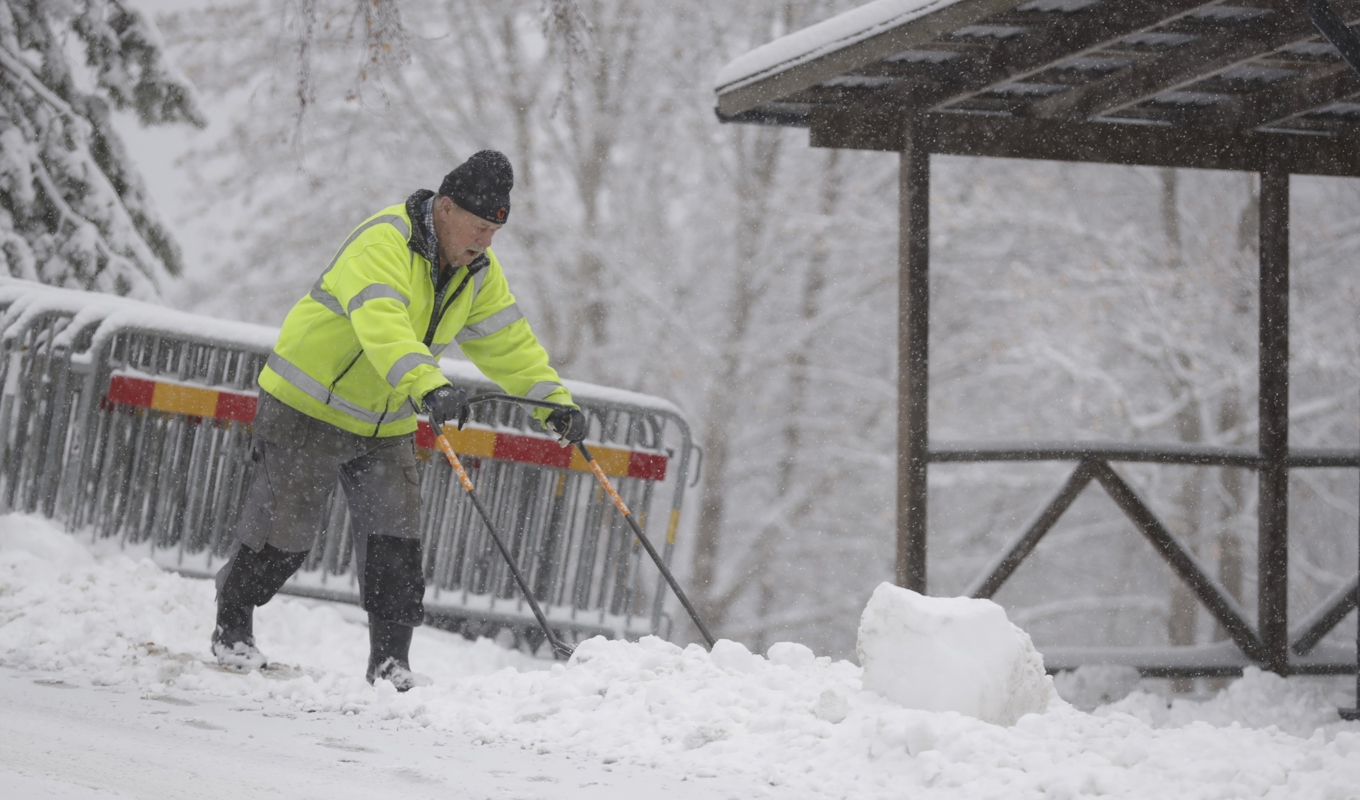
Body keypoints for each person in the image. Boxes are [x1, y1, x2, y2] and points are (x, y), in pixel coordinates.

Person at [211, 150, 587, 690]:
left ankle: (390, 663)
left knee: (397, 542)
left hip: (384, 422)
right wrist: (429, 384)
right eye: (478, 227)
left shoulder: (475, 270)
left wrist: (554, 401)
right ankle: (233, 621)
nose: (484, 242)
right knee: (282, 539)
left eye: (494, 231)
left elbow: (508, 343)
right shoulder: (383, 241)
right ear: (447, 208)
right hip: (306, 407)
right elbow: (382, 326)